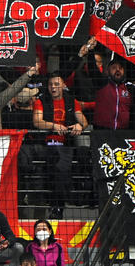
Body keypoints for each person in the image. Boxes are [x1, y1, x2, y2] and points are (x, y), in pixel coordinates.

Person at [30, 74, 88, 219]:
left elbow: (84, 121)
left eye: (56, 84)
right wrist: (53, 126)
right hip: (46, 144)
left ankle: (58, 205)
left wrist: (79, 125)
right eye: (51, 84)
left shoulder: (71, 100)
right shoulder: (41, 100)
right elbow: (37, 122)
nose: (53, 87)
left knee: (61, 167)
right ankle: (57, 204)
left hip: (66, 144)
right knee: (57, 164)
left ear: (63, 85)